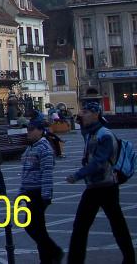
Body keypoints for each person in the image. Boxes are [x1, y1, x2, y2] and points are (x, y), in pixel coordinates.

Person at [66, 101, 135, 264]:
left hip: (105, 186)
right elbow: (83, 130)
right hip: (96, 186)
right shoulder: (90, 132)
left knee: (111, 226)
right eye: (81, 111)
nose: (81, 114)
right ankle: (129, 258)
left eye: (85, 111)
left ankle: (129, 258)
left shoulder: (105, 135)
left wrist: (77, 175)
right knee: (89, 226)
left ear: (96, 114)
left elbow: (99, 162)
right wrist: (81, 120)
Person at [19, 115, 63, 264]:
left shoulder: (44, 148)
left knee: (31, 226)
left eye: (31, 130)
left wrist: (45, 195)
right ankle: (47, 258)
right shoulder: (31, 147)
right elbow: (26, 172)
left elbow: (47, 173)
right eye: (28, 129)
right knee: (38, 228)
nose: (28, 132)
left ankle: (54, 251)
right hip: (30, 192)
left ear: (40, 131)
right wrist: (21, 193)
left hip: (38, 193)